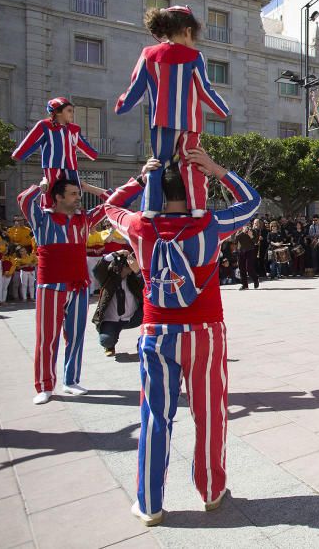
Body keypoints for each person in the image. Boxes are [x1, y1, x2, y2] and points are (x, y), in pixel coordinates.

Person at [104, 150, 260, 525]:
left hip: (157, 332)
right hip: (205, 332)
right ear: (194, 190)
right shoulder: (210, 224)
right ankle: (210, 490)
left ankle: (150, 503)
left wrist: (141, 180)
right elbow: (251, 203)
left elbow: (109, 207)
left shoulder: (140, 226)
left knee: (155, 417)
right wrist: (219, 169)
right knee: (210, 415)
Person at [115, 6, 229, 217]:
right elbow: (205, 90)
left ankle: (150, 208)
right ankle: (197, 208)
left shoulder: (148, 54)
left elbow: (136, 88)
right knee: (191, 161)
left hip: (161, 123)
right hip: (190, 123)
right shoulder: (195, 56)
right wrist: (223, 109)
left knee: (159, 162)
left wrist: (122, 105)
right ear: (187, 31)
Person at [17, 176, 115, 403]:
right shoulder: (42, 218)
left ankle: (70, 380)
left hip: (79, 284)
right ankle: (44, 385)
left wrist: (90, 187)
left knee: (76, 335)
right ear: (58, 197)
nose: (78, 197)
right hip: (51, 284)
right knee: (47, 337)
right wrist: (40, 187)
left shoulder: (84, 220)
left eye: (78, 193)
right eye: (73, 194)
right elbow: (23, 200)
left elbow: (112, 202)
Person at [11, 97, 100, 208]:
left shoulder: (74, 129)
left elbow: (82, 143)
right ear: (58, 112)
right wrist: (19, 154)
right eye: (69, 110)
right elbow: (32, 140)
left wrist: (93, 154)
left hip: (71, 166)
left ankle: (75, 210)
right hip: (52, 165)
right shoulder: (44, 126)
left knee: (75, 188)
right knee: (51, 189)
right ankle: (48, 210)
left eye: (72, 111)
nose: (72, 114)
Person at [91, 250, 144, 356]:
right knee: (106, 340)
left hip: (133, 317)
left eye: (127, 267)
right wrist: (114, 254)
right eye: (121, 267)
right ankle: (110, 345)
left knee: (151, 319)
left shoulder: (133, 278)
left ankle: (142, 343)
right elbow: (97, 270)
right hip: (112, 319)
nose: (123, 270)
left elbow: (147, 285)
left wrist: (137, 270)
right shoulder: (108, 278)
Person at [234, 225, 258, 290]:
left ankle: (255, 279)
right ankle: (245, 285)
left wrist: (251, 236)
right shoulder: (239, 230)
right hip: (240, 252)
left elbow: (256, 242)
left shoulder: (252, 230)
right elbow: (235, 240)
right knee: (242, 269)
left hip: (250, 251)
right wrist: (242, 232)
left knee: (249, 268)